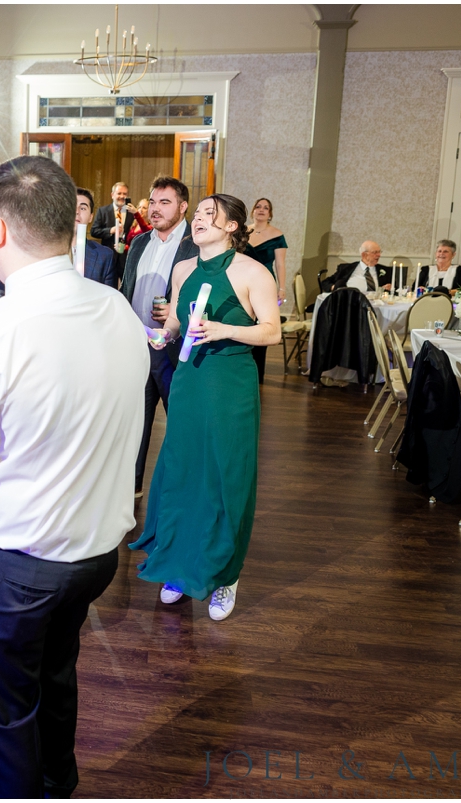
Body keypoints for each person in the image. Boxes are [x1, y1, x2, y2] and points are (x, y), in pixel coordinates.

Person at [0, 155, 148, 799]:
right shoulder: (118, 313)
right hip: (96, 555)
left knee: (0, 713)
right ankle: (56, 787)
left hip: (15, 566)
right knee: (53, 678)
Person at [131, 194, 281, 622]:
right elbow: (178, 322)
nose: (198, 219)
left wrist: (221, 329)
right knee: (183, 472)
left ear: (232, 225)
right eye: (195, 214)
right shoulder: (183, 269)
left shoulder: (254, 272)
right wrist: (161, 334)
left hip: (230, 383)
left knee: (224, 476)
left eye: (208, 214)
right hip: (190, 380)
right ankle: (179, 568)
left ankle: (224, 575)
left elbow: (272, 333)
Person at [120, 176, 199, 497]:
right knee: (134, 422)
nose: (155, 208)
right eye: (152, 202)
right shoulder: (138, 242)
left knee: (180, 421)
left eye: (164, 202)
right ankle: (131, 487)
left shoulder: (196, 245)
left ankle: (183, 490)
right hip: (136, 346)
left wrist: (178, 316)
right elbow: (126, 289)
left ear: (183, 207)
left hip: (173, 350)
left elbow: (203, 299)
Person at [242, 198, 288, 383]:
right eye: (258, 207)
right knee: (244, 322)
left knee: (262, 324)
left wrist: (282, 288)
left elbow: (280, 264)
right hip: (242, 281)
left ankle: (257, 373)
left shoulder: (277, 235)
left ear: (270, 214)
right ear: (253, 211)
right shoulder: (243, 232)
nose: (261, 210)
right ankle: (242, 367)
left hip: (265, 284)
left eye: (266, 208)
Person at [91, 181, 133, 282]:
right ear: (112, 195)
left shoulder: (131, 213)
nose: (122, 196)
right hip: (108, 256)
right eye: (119, 193)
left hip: (125, 258)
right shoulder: (103, 211)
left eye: (124, 194)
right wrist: (111, 230)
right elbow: (94, 231)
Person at [74, 188, 117, 287]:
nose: (77, 211)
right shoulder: (46, 252)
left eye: (83, 208)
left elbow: (109, 298)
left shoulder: (104, 256)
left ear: (90, 217)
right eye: (72, 206)